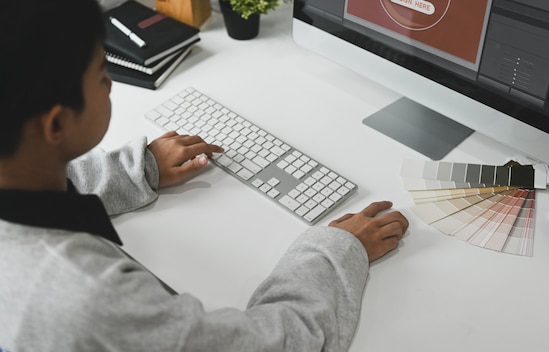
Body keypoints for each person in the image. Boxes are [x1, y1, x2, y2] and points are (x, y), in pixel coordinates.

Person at [0, 0, 409, 351]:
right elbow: (281, 342)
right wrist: (334, 252)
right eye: (100, 74)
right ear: (55, 126)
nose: (109, 83)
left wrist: (135, 169)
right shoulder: (91, 299)